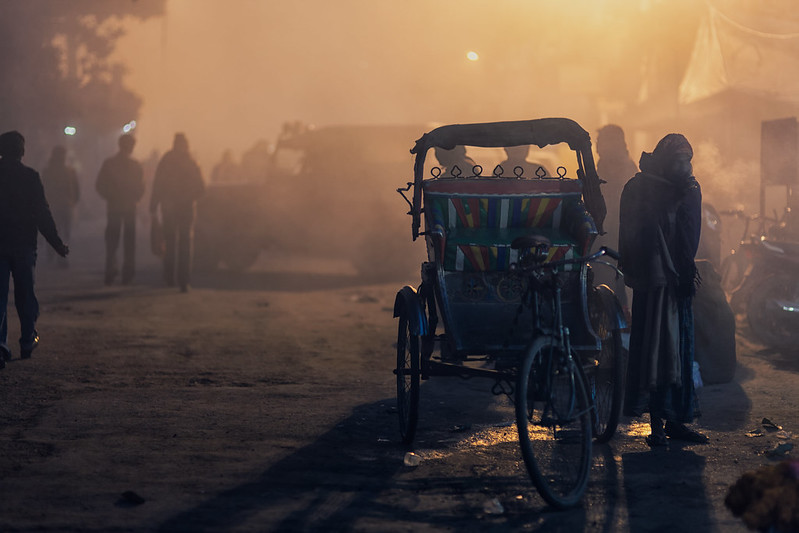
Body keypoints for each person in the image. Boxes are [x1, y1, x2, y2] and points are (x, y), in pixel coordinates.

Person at [619, 133, 707, 446]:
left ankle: (677, 421)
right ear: (665, 160)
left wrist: (684, 271)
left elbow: (690, 235)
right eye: (678, 160)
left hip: (678, 282)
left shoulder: (689, 188)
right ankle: (656, 426)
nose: (684, 166)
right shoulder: (642, 187)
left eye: (688, 160)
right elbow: (633, 234)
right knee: (654, 353)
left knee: (680, 351)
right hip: (653, 283)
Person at [0, 131, 69, 368]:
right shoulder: (30, 177)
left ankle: (1, 346)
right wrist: (57, 243)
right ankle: (28, 340)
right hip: (23, 246)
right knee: (25, 295)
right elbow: (42, 214)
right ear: (22, 152)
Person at [150, 133, 205, 292]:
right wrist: (189, 198)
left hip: (169, 208)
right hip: (186, 208)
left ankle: (169, 277)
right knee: (186, 244)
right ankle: (184, 281)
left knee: (170, 242)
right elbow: (201, 188)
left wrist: (154, 205)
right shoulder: (191, 162)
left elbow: (158, 184)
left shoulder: (166, 161)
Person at [594, 125, 638, 310]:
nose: (597, 146)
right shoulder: (605, 165)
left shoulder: (620, 167)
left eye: (601, 141)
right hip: (609, 234)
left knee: (612, 285)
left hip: (616, 235)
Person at [96, 134, 145, 285]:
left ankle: (110, 270)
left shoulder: (109, 163)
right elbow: (141, 188)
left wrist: (110, 196)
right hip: (130, 208)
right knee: (129, 243)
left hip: (114, 208)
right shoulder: (136, 166)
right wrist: (135, 198)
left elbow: (99, 185)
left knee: (112, 242)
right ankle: (128, 274)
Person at [40, 145, 79, 265]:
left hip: (56, 206)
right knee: (61, 232)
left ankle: (56, 255)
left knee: (57, 232)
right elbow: (76, 190)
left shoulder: (48, 171)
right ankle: (60, 257)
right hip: (61, 206)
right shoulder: (69, 172)